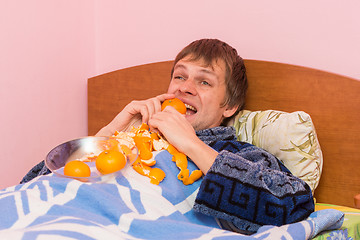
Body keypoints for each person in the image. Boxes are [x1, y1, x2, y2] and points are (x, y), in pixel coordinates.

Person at [21, 39, 314, 234]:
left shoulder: (239, 153)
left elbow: (295, 203)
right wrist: (111, 132)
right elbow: (30, 187)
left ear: (230, 106)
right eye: (180, 76)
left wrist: (190, 143)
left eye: (204, 81)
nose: (184, 88)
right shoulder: (128, 137)